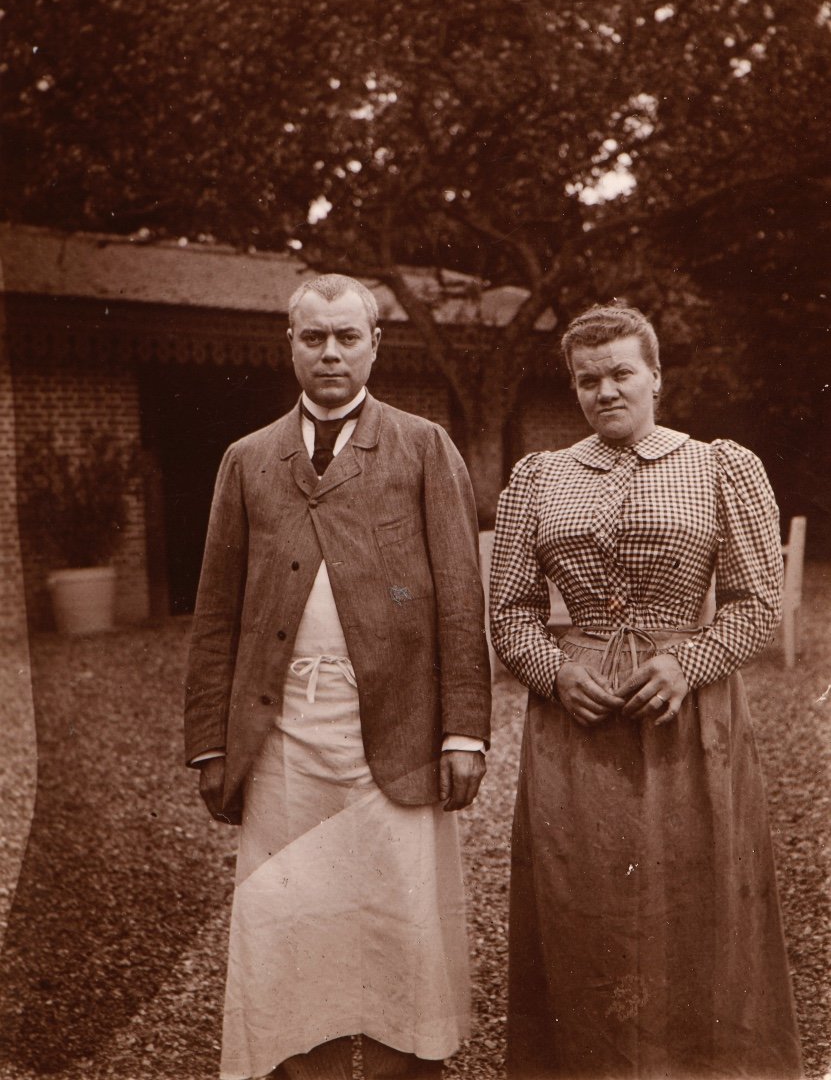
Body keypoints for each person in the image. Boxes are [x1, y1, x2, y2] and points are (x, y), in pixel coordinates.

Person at [184, 274, 491, 1080]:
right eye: (313, 337)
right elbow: (214, 615)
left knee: (399, 917)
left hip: (395, 731)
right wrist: (210, 746)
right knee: (292, 918)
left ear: (374, 345)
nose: (329, 352)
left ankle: (406, 1065)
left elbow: (462, 598)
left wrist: (463, 730)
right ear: (289, 344)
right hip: (282, 736)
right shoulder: (247, 459)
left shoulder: (423, 446)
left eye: (346, 336)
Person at [489, 302, 802, 1079]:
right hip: (576, 718)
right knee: (580, 901)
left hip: (687, 713)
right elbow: (508, 610)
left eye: (621, 373)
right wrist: (555, 671)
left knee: (698, 901)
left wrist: (687, 664)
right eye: (587, 379)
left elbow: (757, 601)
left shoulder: (718, 465)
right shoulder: (538, 477)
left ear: (655, 377)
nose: (604, 391)